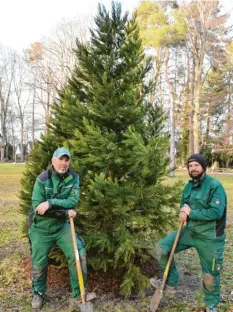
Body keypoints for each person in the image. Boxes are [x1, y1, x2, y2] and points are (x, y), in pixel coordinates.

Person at [150, 154, 227, 312]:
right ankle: (170, 283)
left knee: (210, 274)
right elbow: (184, 206)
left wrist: (191, 213)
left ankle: (211, 305)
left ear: (203, 167)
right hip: (190, 232)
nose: (193, 168)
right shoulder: (189, 186)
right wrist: (182, 212)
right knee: (163, 247)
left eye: (196, 165)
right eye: (190, 166)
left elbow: (216, 212)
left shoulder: (214, 186)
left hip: (209, 237)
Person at [28, 147, 96, 310]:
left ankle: (79, 294)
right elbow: (39, 208)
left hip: (61, 227)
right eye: (60, 159)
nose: (63, 163)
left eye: (67, 160)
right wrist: (64, 211)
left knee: (78, 253)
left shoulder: (74, 178)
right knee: (39, 262)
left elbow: (73, 201)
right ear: (53, 160)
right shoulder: (42, 179)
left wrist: (50, 203)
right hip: (40, 228)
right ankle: (38, 293)